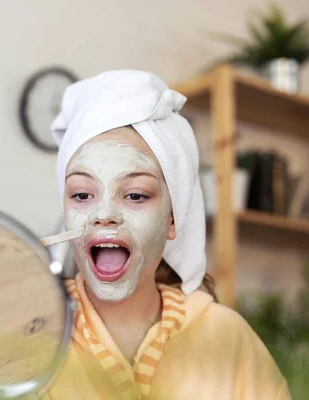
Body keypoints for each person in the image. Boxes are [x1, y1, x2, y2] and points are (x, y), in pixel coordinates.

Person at [44, 70, 291, 399]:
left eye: (135, 195)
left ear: (173, 219)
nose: (103, 215)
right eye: (82, 195)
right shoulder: (32, 331)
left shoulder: (227, 337)